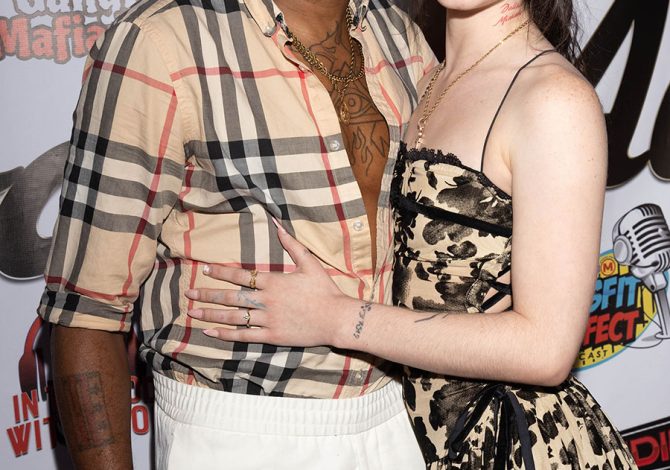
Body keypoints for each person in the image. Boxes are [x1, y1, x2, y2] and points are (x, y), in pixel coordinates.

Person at [184, 0, 640, 468]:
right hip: (405, 439)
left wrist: (336, 318)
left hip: (514, 445)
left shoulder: (555, 99)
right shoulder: (416, 74)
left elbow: (546, 350)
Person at [38, 0, 436, 468]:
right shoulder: (158, 40)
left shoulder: (397, 31)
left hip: (405, 412)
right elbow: (86, 310)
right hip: (240, 429)